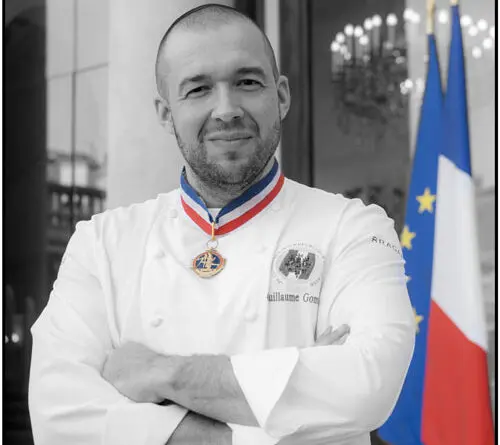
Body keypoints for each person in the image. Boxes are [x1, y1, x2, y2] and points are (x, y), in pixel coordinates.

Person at [28, 4, 415, 445]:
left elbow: (367, 384)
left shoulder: (354, 229)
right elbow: (58, 414)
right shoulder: (101, 244)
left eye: (247, 82)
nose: (226, 109)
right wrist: (284, 408)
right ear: (165, 113)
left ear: (281, 96)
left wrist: (159, 373)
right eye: (198, 89)